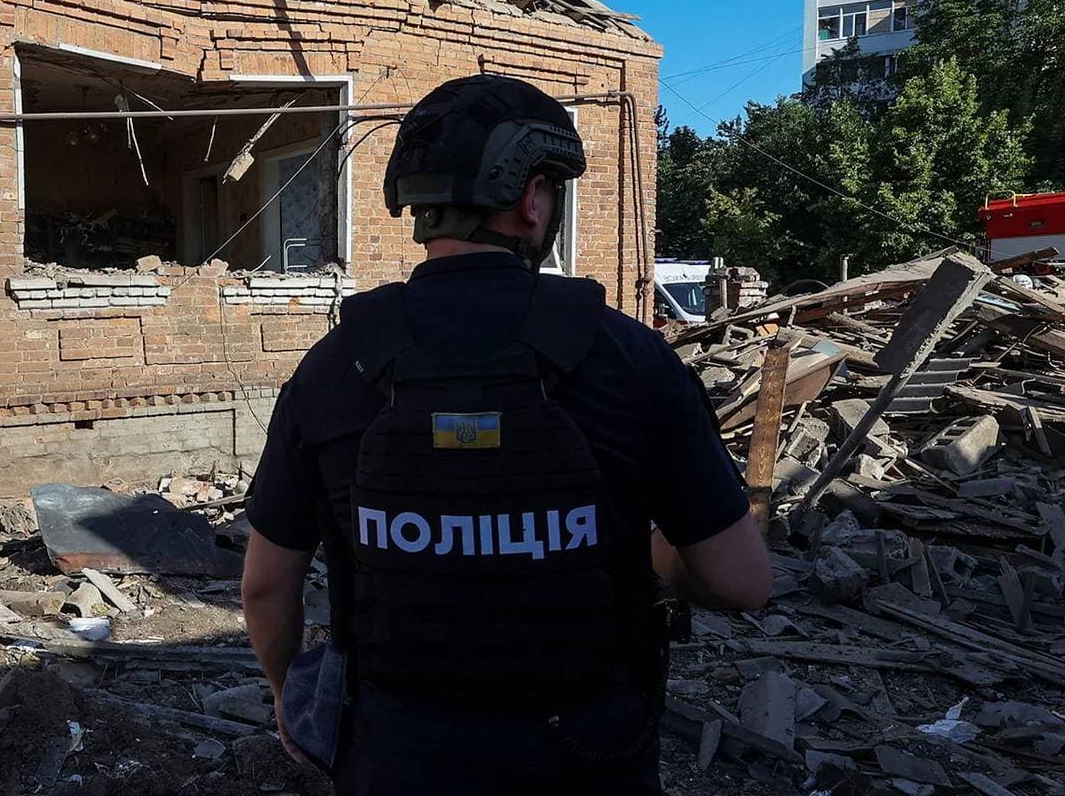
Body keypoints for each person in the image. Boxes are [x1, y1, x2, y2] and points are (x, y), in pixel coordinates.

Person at [241, 74, 771, 795]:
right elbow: (742, 582)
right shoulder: (630, 357)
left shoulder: (334, 365)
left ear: (419, 204)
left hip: (395, 756)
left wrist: (289, 699)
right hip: (587, 754)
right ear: (531, 198)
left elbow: (266, 586)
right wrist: (651, 557)